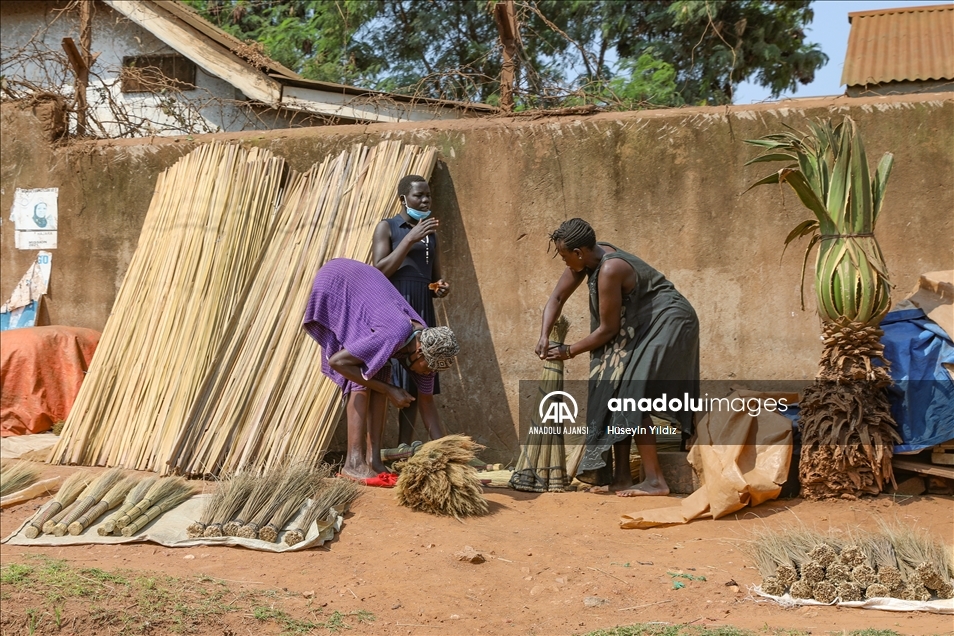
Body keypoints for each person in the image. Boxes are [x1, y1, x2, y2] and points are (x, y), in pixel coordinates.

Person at [535, 218, 699, 496]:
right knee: (615, 390)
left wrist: (569, 351)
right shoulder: (588, 259)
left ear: (578, 252)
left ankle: (656, 481)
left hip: (670, 322)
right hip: (642, 325)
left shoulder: (610, 268)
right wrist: (543, 335)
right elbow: (557, 299)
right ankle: (622, 477)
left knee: (633, 395)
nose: (564, 263)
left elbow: (608, 329)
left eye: (564, 257)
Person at [303, 258, 459, 486]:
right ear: (418, 351)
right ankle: (353, 463)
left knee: (379, 372)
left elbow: (427, 404)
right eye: (428, 367)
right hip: (339, 282)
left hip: (367, 290)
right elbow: (339, 363)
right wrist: (389, 390)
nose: (429, 372)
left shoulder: (430, 348)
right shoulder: (395, 333)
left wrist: (449, 459)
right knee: (362, 378)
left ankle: (374, 460)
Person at [372, 175, 450, 446]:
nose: (426, 200)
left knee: (419, 375)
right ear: (403, 199)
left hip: (422, 311)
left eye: (428, 195)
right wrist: (409, 239)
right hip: (395, 308)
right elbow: (379, 271)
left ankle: (404, 447)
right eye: (419, 195)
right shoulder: (388, 227)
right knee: (389, 374)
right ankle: (379, 449)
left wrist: (438, 287)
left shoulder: (431, 236)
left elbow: (434, 279)